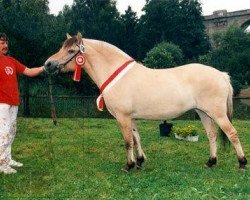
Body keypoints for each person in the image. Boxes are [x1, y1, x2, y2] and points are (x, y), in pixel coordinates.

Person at [0, 32, 45, 174]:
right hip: (2, 103)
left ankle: (7, 158)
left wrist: (45, 68)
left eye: (6, 42)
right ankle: (2, 164)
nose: (5, 45)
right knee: (4, 132)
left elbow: (30, 71)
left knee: (11, 132)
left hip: (14, 102)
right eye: (2, 43)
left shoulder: (11, 61)